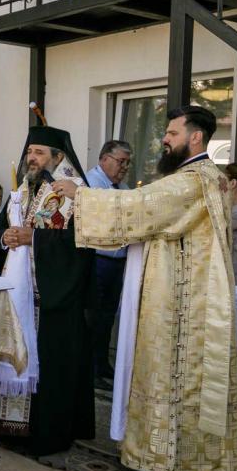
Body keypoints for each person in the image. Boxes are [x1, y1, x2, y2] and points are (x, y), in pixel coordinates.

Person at [65, 105, 237, 471]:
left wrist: (80, 196)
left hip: (189, 304)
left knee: (186, 379)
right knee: (169, 376)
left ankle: (191, 469)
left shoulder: (195, 181)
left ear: (195, 137)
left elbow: (139, 206)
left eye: (173, 133)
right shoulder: (202, 179)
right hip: (179, 295)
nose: (165, 139)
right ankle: (163, 459)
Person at [0, 127, 94, 454]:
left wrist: (32, 238)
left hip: (52, 302)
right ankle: (12, 429)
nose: (31, 158)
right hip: (18, 297)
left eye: (39, 153)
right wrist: (4, 238)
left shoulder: (73, 195)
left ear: (57, 157)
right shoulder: (20, 191)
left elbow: (80, 246)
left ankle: (47, 433)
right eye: (29, 152)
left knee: (52, 367)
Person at [85, 140, 133, 383]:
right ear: (104, 159)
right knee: (93, 316)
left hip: (116, 262)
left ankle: (102, 365)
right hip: (97, 260)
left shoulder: (122, 187)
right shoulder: (92, 184)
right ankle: (91, 369)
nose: (124, 167)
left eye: (127, 162)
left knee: (107, 317)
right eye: (120, 161)